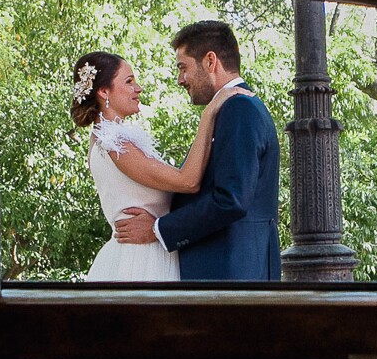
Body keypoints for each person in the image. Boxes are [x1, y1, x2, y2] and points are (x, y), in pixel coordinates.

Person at [114, 21, 282, 281]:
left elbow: (231, 200)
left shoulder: (240, 110)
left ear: (210, 61)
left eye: (183, 68)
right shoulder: (226, 109)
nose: (180, 80)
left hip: (231, 277)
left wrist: (158, 229)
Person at [71, 50, 246, 282]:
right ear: (104, 92)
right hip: (139, 260)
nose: (138, 88)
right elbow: (188, 181)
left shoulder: (107, 139)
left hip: (150, 251)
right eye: (129, 81)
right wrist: (209, 114)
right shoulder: (113, 142)